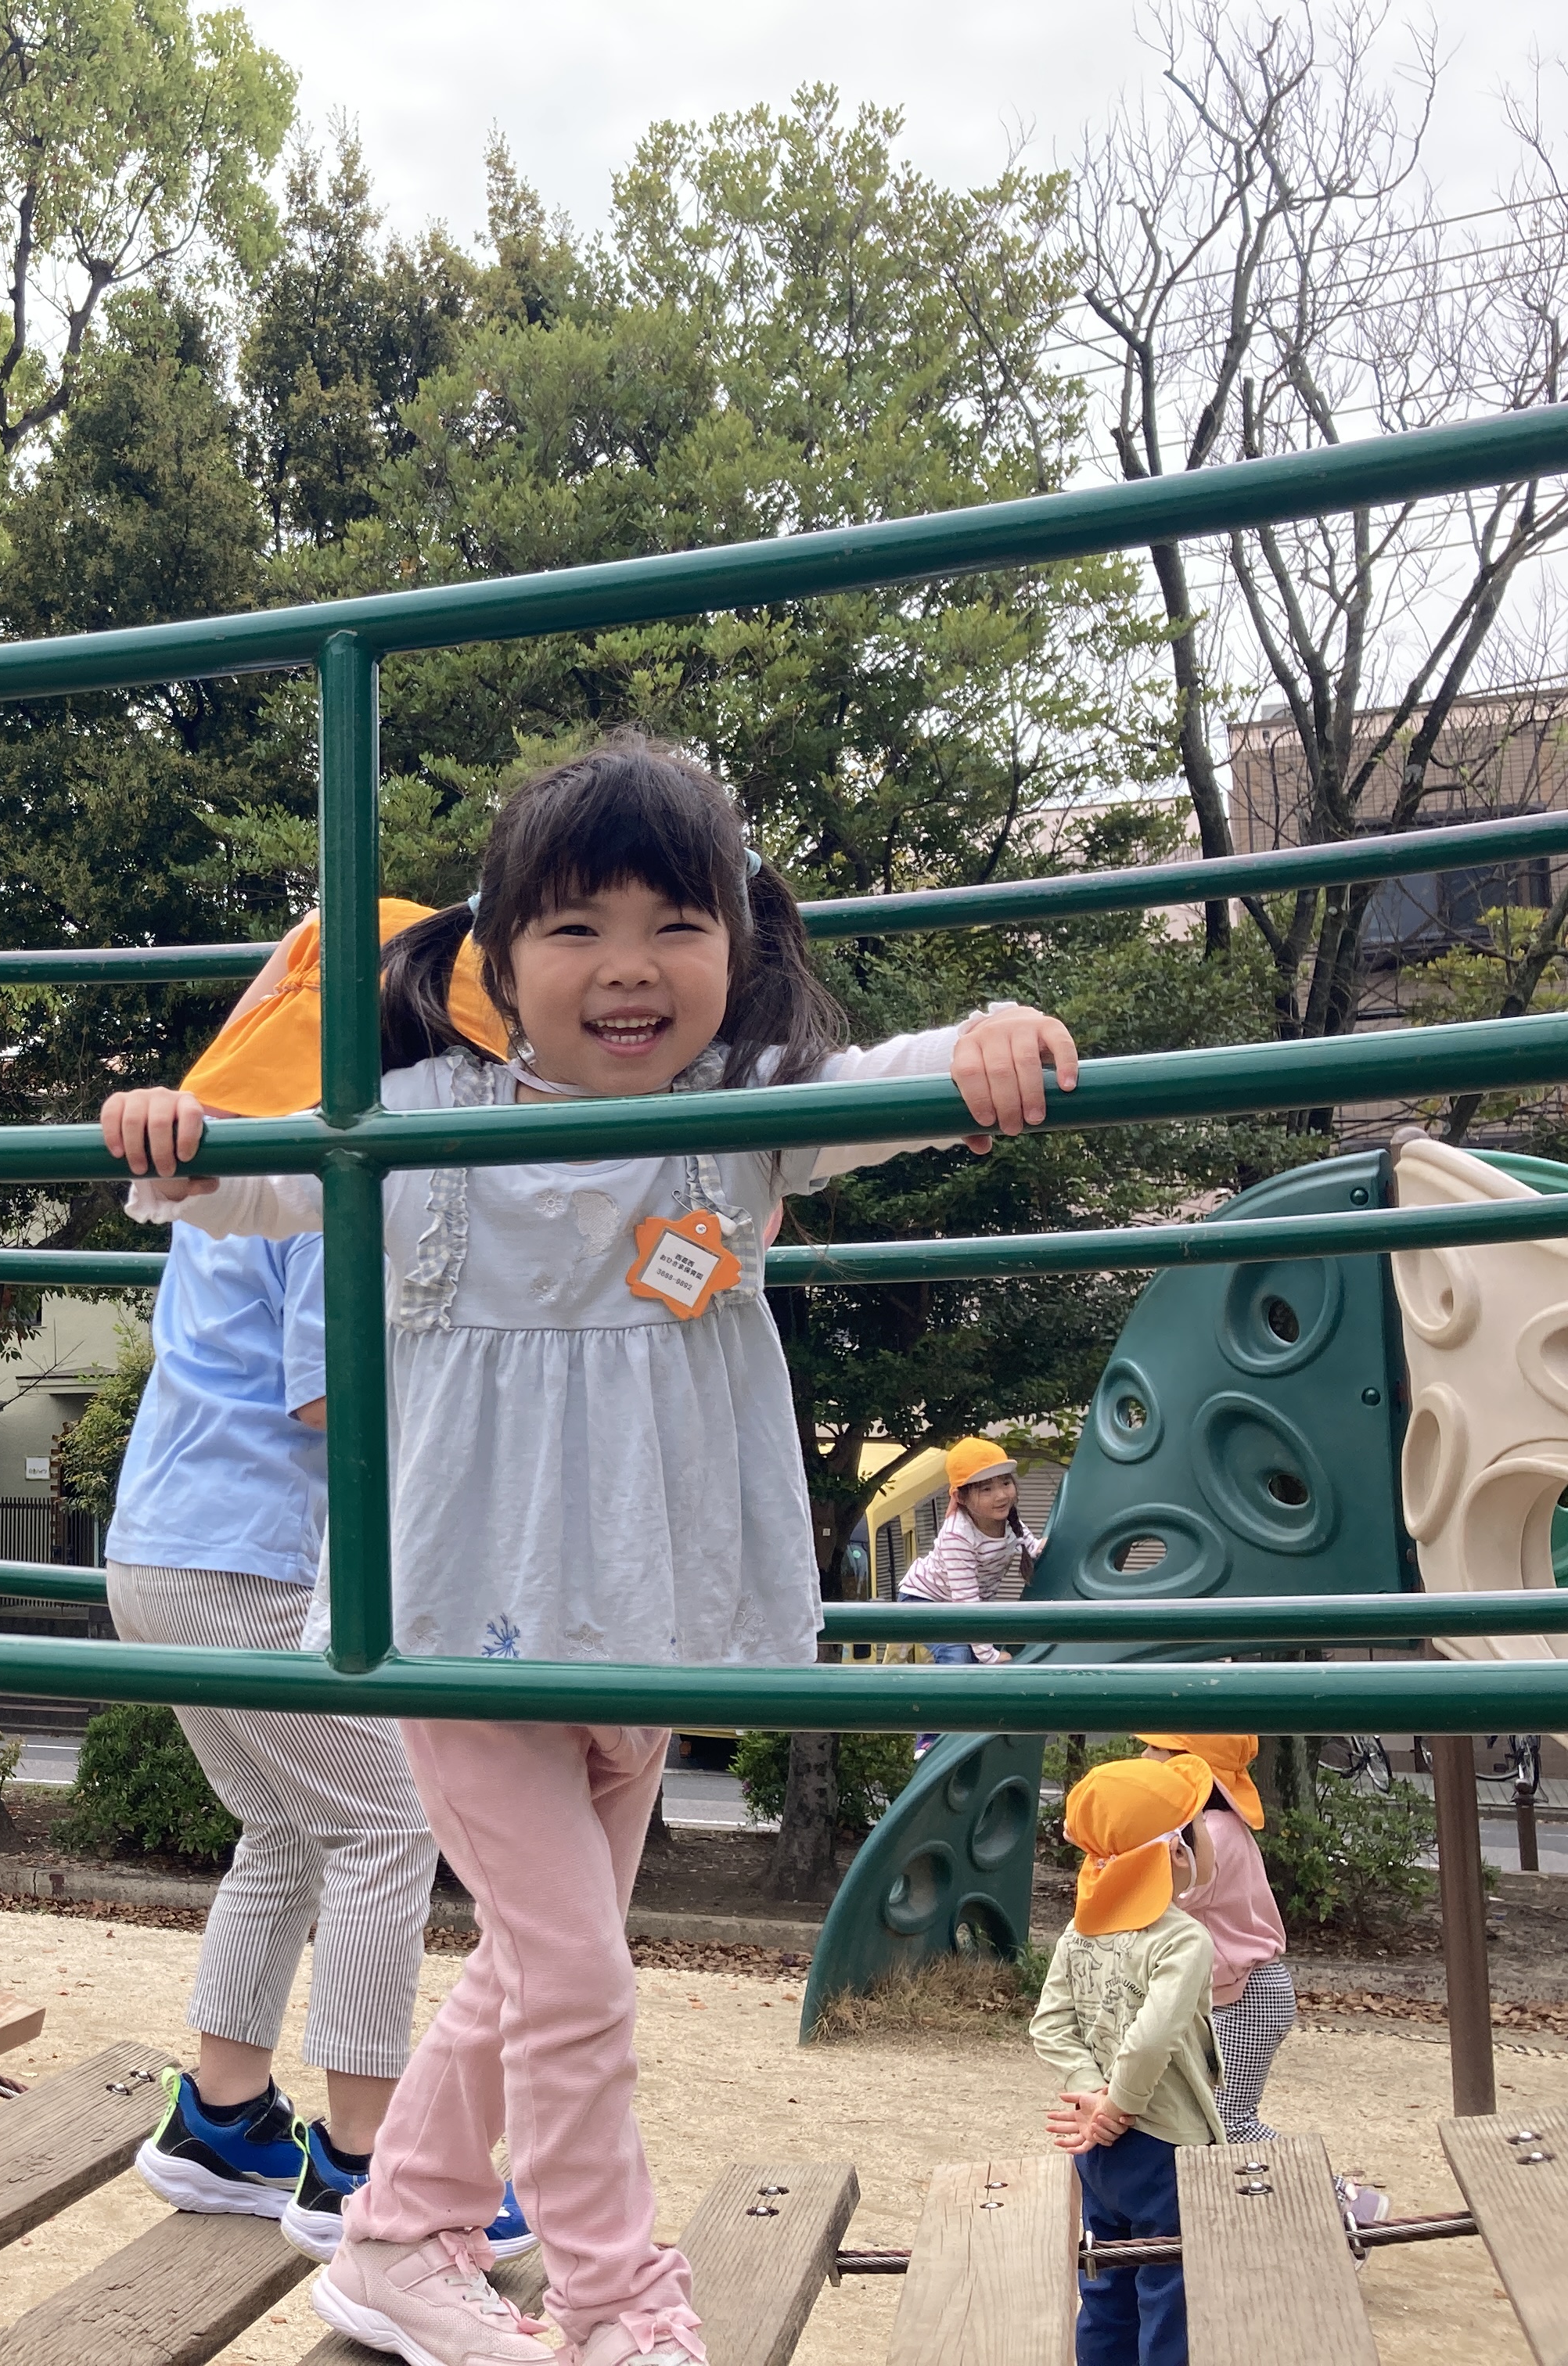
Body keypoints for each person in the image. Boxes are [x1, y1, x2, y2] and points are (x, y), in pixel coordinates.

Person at [103, 733, 1081, 2366]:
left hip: (646, 1620)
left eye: (674, 925)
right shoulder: (413, 1121)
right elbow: (245, 1180)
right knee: (577, 1978)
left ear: (738, 949)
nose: (628, 966)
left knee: (532, 1965)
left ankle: (396, 2236)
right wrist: (173, 1131)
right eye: (575, 927)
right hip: (465, 1630)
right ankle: (616, 2300)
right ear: (496, 960)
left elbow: (890, 1085)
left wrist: (985, 1038)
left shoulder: (743, 1118)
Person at [113, 904, 531, 2265]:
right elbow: (323, 1391)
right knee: (385, 1821)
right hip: (248, 1550)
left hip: (162, 1544)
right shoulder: (325, 1156)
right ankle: (366, 2159)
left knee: (288, 1830)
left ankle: (221, 2119)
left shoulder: (247, 1134)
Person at [1130, 1732, 1389, 2225]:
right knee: (1197, 2119)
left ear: (1194, 1769)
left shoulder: (1212, 1833)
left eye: (1158, 1750)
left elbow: (1161, 1896)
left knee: (1227, 2121)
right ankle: (1220, 2219)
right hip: (1230, 1995)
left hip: (1246, 1998)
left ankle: (1342, 2200)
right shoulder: (1199, 1828)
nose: (1144, 1756)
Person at [1032, 1753, 1225, 2366]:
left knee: (1105, 2284)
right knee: (1170, 2292)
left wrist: (1092, 2097)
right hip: (1165, 2143)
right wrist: (1118, 2106)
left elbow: (1050, 2025)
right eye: (1200, 1827)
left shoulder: (1080, 1931)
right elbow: (1150, 2038)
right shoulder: (1183, 1939)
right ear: (1174, 1851)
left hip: (1096, 2149)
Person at [898, 1436, 1038, 1749]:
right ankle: (930, 1739)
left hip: (963, 1604)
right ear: (961, 1497)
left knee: (970, 1654)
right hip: (924, 1599)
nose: (1001, 1495)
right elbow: (966, 1605)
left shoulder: (1007, 1520)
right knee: (957, 1653)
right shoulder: (958, 1535)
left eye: (1005, 1483)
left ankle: (969, 1726)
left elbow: (1032, 1545)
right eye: (986, 1489)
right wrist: (989, 1656)